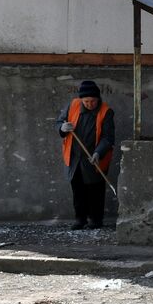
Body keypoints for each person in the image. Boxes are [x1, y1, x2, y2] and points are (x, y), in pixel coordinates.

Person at [55, 79, 115, 230]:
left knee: (95, 190)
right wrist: (62, 127)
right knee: (78, 189)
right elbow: (59, 122)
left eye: (93, 101)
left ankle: (95, 220)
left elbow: (108, 137)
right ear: (81, 99)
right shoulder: (73, 105)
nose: (90, 104)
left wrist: (98, 152)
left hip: (94, 158)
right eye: (86, 101)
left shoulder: (106, 111)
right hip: (74, 158)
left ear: (98, 99)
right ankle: (80, 219)